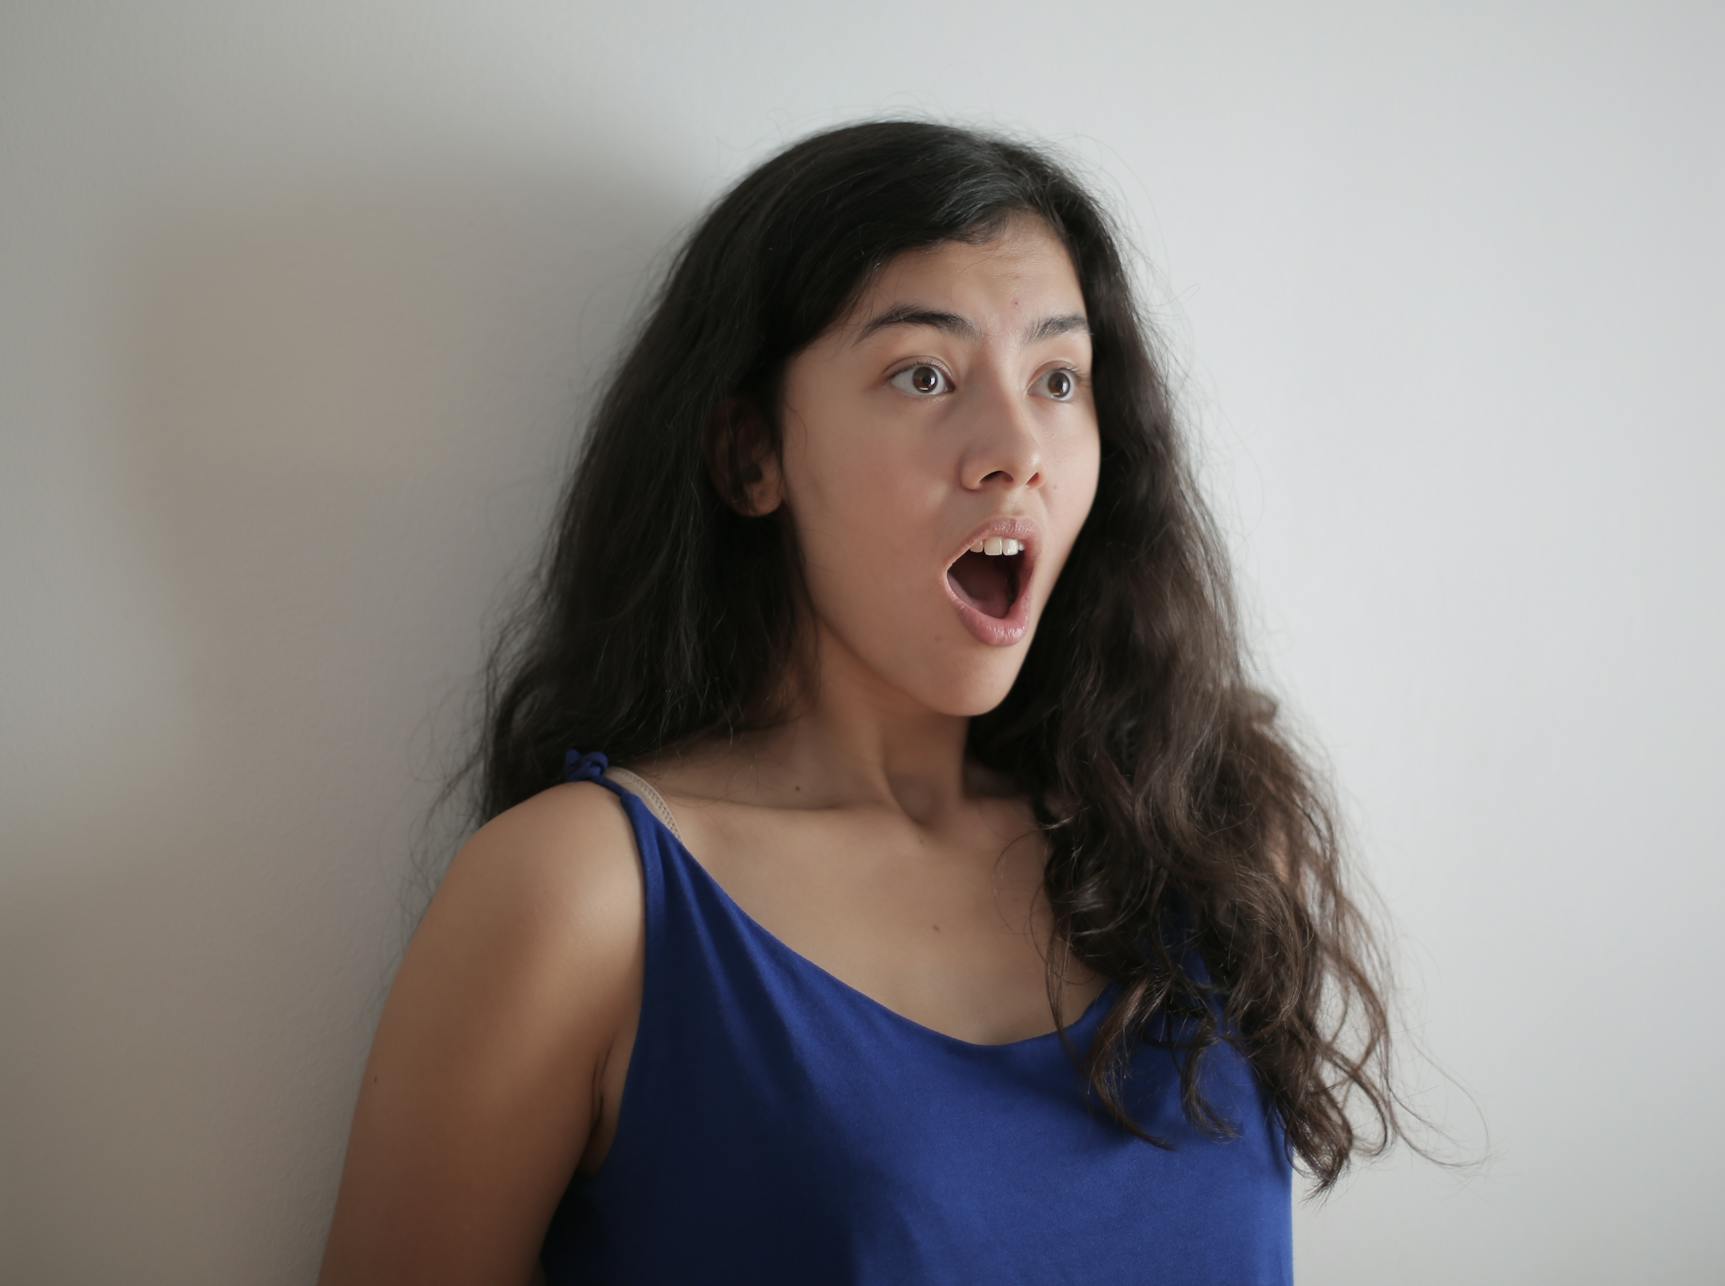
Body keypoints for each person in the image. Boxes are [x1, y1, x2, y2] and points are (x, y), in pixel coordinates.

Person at [319, 116, 1439, 1286]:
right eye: (923, 374)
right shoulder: (583, 896)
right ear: (751, 455)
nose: (1017, 449)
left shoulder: (1203, 838)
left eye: (1058, 378)